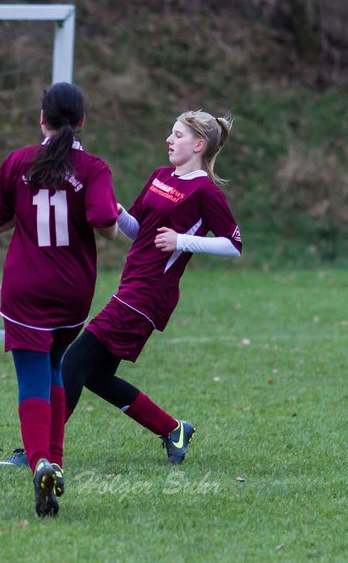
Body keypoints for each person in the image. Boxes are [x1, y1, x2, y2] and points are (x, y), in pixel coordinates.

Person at [62, 110, 242, 467]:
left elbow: (233, 244)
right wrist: (116, 213)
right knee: (97, 376)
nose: (169, 140)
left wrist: (183, 241)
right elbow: (138, 230)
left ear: (198, 145)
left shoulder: (205, 190)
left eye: (177, 135)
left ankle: (40, 451)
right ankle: (173, 429)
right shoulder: (160, 177)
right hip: (131, 287)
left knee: (72, 363)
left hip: (147, 296)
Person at [0, 82, 118, 516]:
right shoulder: (93, 167)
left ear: (42, 119)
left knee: (32, 378)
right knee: (56, 366)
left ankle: (40, 460)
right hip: (74, 290)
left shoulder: (19, 162)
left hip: (26, 286)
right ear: (81, 122)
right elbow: (103, 220)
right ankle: (54, 463)